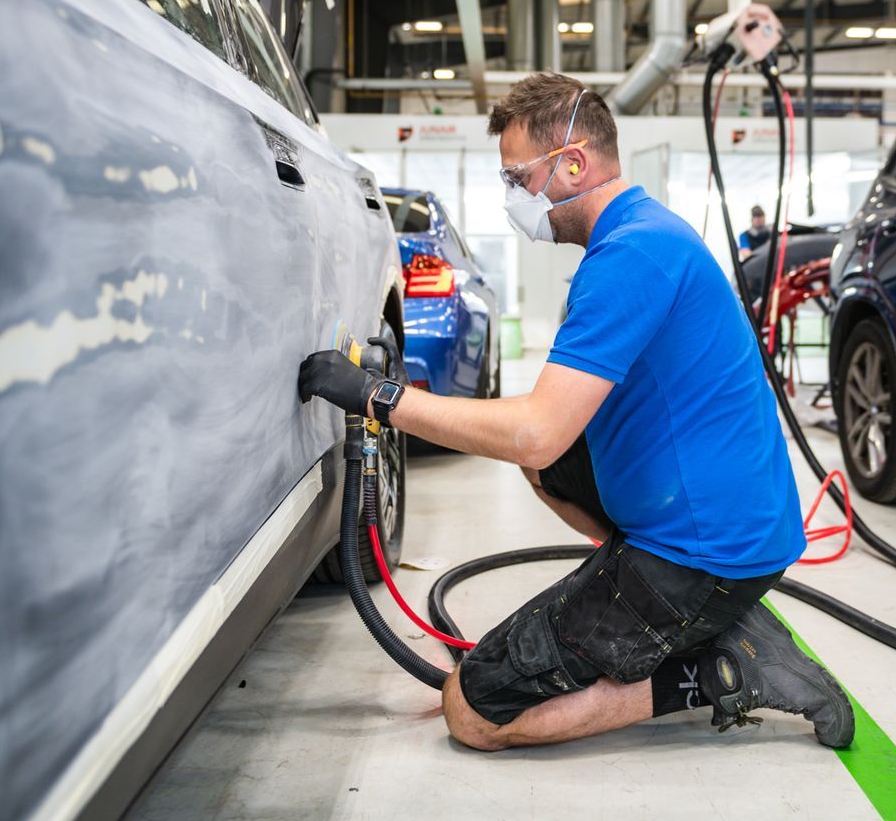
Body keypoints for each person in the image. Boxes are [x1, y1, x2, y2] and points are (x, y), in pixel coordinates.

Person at [298, 72, 853, 753]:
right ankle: (677, 614)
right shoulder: (640, 234)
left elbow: (534, 432)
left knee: (474, 713)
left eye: (517, 177)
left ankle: (719, 669)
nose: (514, 196)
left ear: (572, 164)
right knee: (547, 465)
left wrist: (380, 399)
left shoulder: (633, 256)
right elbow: (547, 441)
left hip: (710, 551)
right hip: (719, 516)